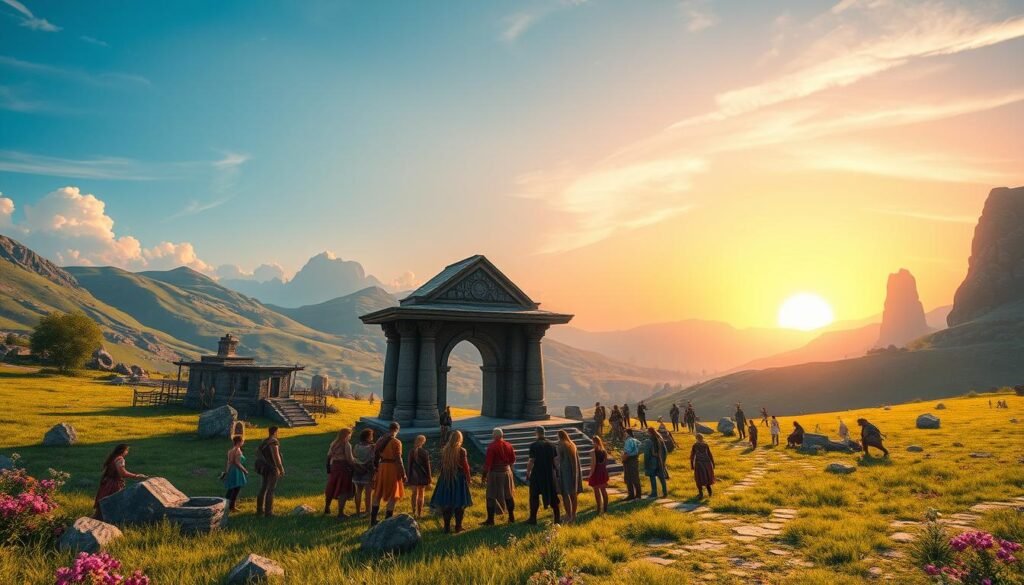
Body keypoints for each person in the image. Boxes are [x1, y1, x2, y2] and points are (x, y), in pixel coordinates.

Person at [429, 430, 473, 533]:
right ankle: (458, 527)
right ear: (459, 439)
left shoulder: (445, 449)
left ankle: (446, 528)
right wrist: (468, 478)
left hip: (445, 478)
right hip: (458, 479)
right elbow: (466, 467)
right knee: (460, 504)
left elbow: (442, 465)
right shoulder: (462, 451)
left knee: (446, 503)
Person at [94, 444, 147, 520]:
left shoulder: (112, 458)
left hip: (106, 484)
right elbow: (122, 473)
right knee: (112, 506)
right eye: (127, 450)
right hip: (114, 485)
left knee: (101, 510)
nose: (127, 452)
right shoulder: (120, 459)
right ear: (123, 451)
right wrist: (136, 476)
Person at [370, 421, 406, 526]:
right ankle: (388, 520)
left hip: (382, 467)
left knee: (378, 493)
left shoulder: (380, 440)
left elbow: (375, 454)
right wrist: (403, 473)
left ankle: (373, 520)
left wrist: (376, 468)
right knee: (393, 494)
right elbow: (398, 459)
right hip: (392, 468)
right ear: (397, 430)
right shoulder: (396, 442)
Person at [526, 427, 561, 525]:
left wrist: (528, 472)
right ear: (544, 433)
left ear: (537, 433)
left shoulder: (534, 445)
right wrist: (556, 471)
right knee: (553, 495)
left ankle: (533, 519)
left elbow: (531, 460)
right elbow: (555, 460)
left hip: (537, 474)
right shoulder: (551, 445)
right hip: (550, 473)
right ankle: (557, 519)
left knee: (534, 496)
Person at [482, 428, 516, 525]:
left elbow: (488, 464)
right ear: (502, 435)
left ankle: (490, 520)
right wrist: (506, 466)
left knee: (491, 496)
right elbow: (513, 459)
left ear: (494, 436)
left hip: (495, 474)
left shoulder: (491, 447)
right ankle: (511, 517)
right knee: (508, 495)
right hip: (507, 472)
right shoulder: (509, 445)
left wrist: (484, 475)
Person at [324, 428, 355, 518]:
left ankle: (327, 507)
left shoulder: (334, 443)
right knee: (343, 490)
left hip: (334, 466)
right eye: (350, 435)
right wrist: (355, 466)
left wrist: (328, 468)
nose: (350, 436)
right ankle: (340, 513)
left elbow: (329, 455)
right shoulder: (347, 445)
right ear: (347, 435)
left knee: (331, 486)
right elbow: (349, 459)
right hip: (343, 468)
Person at [255, 426, 284, 517]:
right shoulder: (273, 442)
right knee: (270, 490)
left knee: (263, 488)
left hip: (264, 468)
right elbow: (276, 456)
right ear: (275, 432)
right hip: (272, 468)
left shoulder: (264, 442)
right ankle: (268, 512)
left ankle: (259, 510)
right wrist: (281, 468)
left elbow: (257, 453)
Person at [556, 430, 583, 523]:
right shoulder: (572, 444)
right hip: (574, 471)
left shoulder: (561, 444)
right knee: (573, 493)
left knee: (565, 493)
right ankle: (574, 514)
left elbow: (558, 459)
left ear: (559, 436)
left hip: (565, 471)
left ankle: (568, 515)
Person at [351, 428, 376, 517]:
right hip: (367, 471)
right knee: (368, 493)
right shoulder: (372, 447)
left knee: (358, 491)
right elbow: (373, 459)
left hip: (357, 470)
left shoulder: (356, 446)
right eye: (371, 436)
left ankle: (357, 511)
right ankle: (368, 511)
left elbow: (354, 456)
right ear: (368, 437)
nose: (372, 437)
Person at [406, 434, 432, 519]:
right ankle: (419, 513)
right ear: (423, 442)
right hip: (423, 475)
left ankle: (413, 511)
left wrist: (408, 476)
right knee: (421, 494)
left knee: (414, 494)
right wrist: (429, 478)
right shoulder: (425, 452)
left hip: (413, 475)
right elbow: (427, 466)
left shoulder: (411, 452)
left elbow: (409, 465)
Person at [223, 436, 248, 513]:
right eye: (242, 441)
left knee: (231, 489)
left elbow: (229, 462)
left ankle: (225, 505)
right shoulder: (237, 450)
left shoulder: (230, 450)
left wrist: (227, 471)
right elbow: (237, 463)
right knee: (236, 489)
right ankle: (232, 506)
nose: (243, 442)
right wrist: (245, 470)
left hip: (231, 470)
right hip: (236, 471)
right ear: (238, 442)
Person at [643, 426, 668, 498]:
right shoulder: (660, 439)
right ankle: (665, 492)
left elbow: (649, 453)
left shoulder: (649, 440)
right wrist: (663, 460)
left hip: (652, 461)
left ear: (649, 432)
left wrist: (646, 463)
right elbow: (665, 451)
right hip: (660, 461)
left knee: (652, 476)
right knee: (661, 477)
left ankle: (654, 493)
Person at [588, 435, 610, 515]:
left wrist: (590, 474)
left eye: (593, 442)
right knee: (603, 490)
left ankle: (598, 508)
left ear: (595, 442)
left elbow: (593, 464)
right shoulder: (604, 451)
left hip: (596, 472)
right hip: (603, 471)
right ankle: (605, 509)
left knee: (597, 491)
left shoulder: (592, 452)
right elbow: (606, 463)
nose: (592, 443)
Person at [689, 433, 716, 499]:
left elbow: (692, 456)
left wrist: (692, 465)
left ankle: (701, 494)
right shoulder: (706, 445)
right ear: (702, 438)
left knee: (699, 478)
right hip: (707, 463)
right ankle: (710, 493)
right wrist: (713, 463)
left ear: (696, 438)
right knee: (707, 477)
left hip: (699, 463)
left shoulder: (695, 445)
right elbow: (710, 454)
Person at [622, 428, 642, 500]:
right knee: (635, 477)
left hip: (629, 460)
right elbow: (640, 447)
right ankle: (638, 495)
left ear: (627, 433)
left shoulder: (628, 441)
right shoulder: (636, 440)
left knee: (628, 477)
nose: (624, 434)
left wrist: (623, 459)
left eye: (624, 433)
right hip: (635, 459)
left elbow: (626, 453)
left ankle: (631, 495)